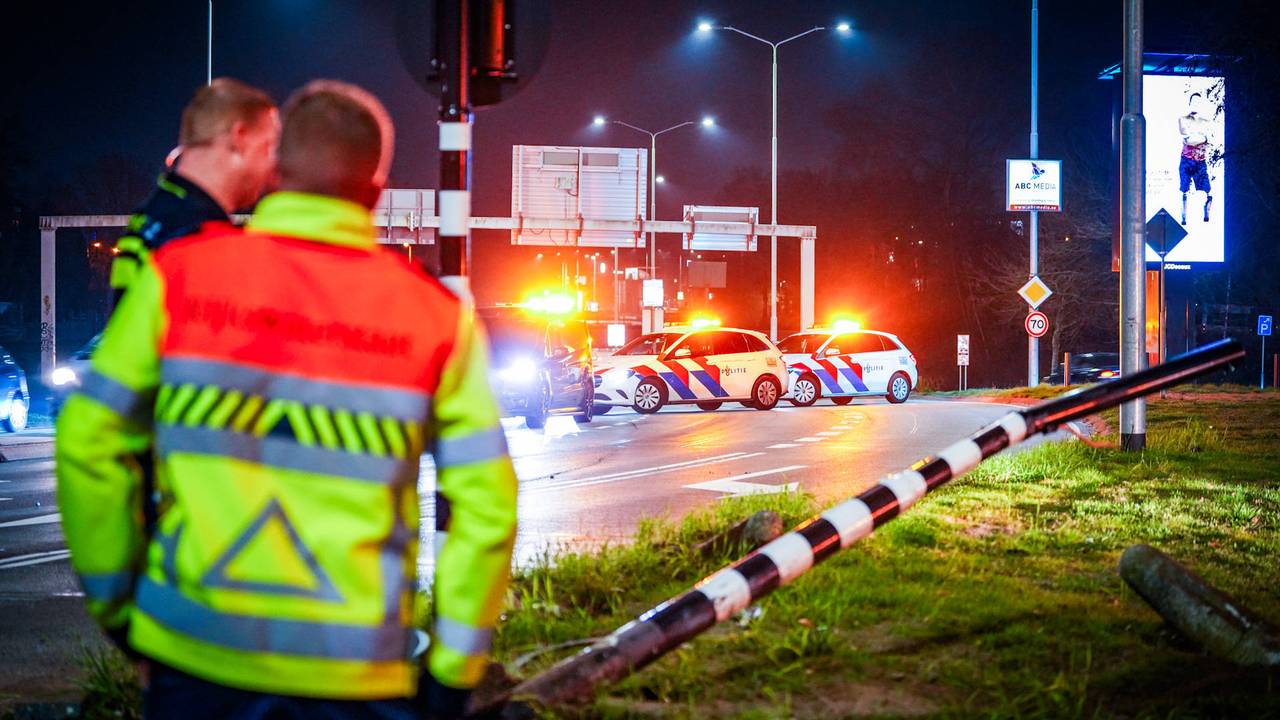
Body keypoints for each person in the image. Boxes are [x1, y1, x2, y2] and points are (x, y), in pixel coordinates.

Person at [56, 79, 518, 719]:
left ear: (276, 171)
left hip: (193, 655)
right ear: (375, 190)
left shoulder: (179, 277)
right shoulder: (437, 317)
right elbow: (488, 510)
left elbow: (88, 442)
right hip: (355, 675)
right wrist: (452, 672)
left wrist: (119, 606)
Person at [109, 78, 279, 308]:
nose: (272, 166)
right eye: (267, 147)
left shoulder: (155, 215)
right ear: (239, 138)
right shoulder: (196, 234)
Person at [1177, 92, 1214, 225]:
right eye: (1193, 102)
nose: (1195, 105)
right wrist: (1198, 135)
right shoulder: (1183, 119)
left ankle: (1206, 211)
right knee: (1184, 189)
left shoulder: (1205, 122)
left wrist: (1199, 136)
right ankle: (1184, 216)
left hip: (1200, 161)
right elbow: (1186, 135)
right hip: (1187, 159)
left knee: (1206, 190)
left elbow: (1206, 138)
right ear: (1190, 103)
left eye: (1198, 102)